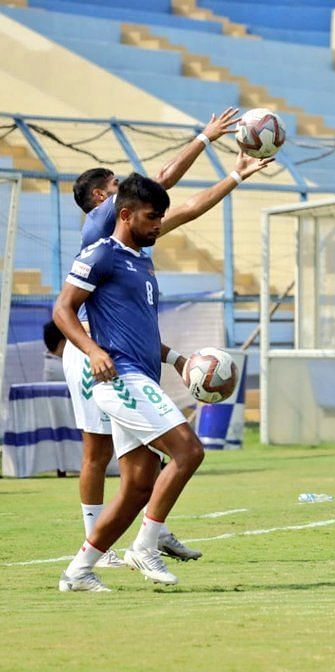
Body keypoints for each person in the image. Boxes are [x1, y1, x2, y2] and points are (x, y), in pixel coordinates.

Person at [63, 109, 266, 567]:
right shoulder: (102, 227)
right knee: (100, 450)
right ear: (104, 198)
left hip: (127, 351)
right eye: (117, 187)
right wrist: (204, 138)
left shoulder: (138, 242)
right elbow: (162, 182)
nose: (127, 190)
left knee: (142, 466)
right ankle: (107, 540)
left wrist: (233, 174)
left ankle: (135, 538)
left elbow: (185, 208)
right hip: (96, 350)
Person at [55, 174, 230, 591]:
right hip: (120, 378)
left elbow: (140, 329)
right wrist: (93, 352)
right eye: (152, 218)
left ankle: (78, 572)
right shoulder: (101, 255)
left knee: (137, 487)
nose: (158, 225)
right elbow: (62, 310)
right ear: (126, 213)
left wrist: (176, 358)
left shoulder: (141, 260)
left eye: (162, 218)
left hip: (142, 374)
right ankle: (147, 544)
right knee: (188, 451)